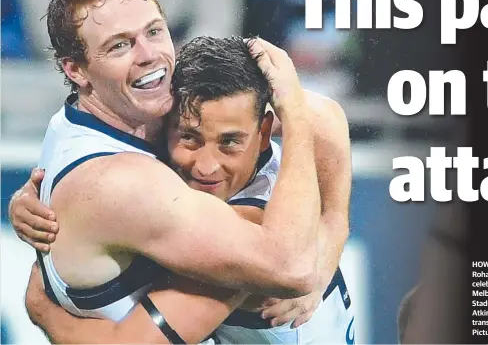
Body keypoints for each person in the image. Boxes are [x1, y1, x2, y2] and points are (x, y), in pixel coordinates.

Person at [14, 36, 353, 344]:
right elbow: (326, 115)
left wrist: (44, 310)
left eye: (229, 143)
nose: (206, 166)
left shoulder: (252, 234)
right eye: (189, 137)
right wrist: (332, 233)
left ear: (264, 132)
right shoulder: (257, 128)